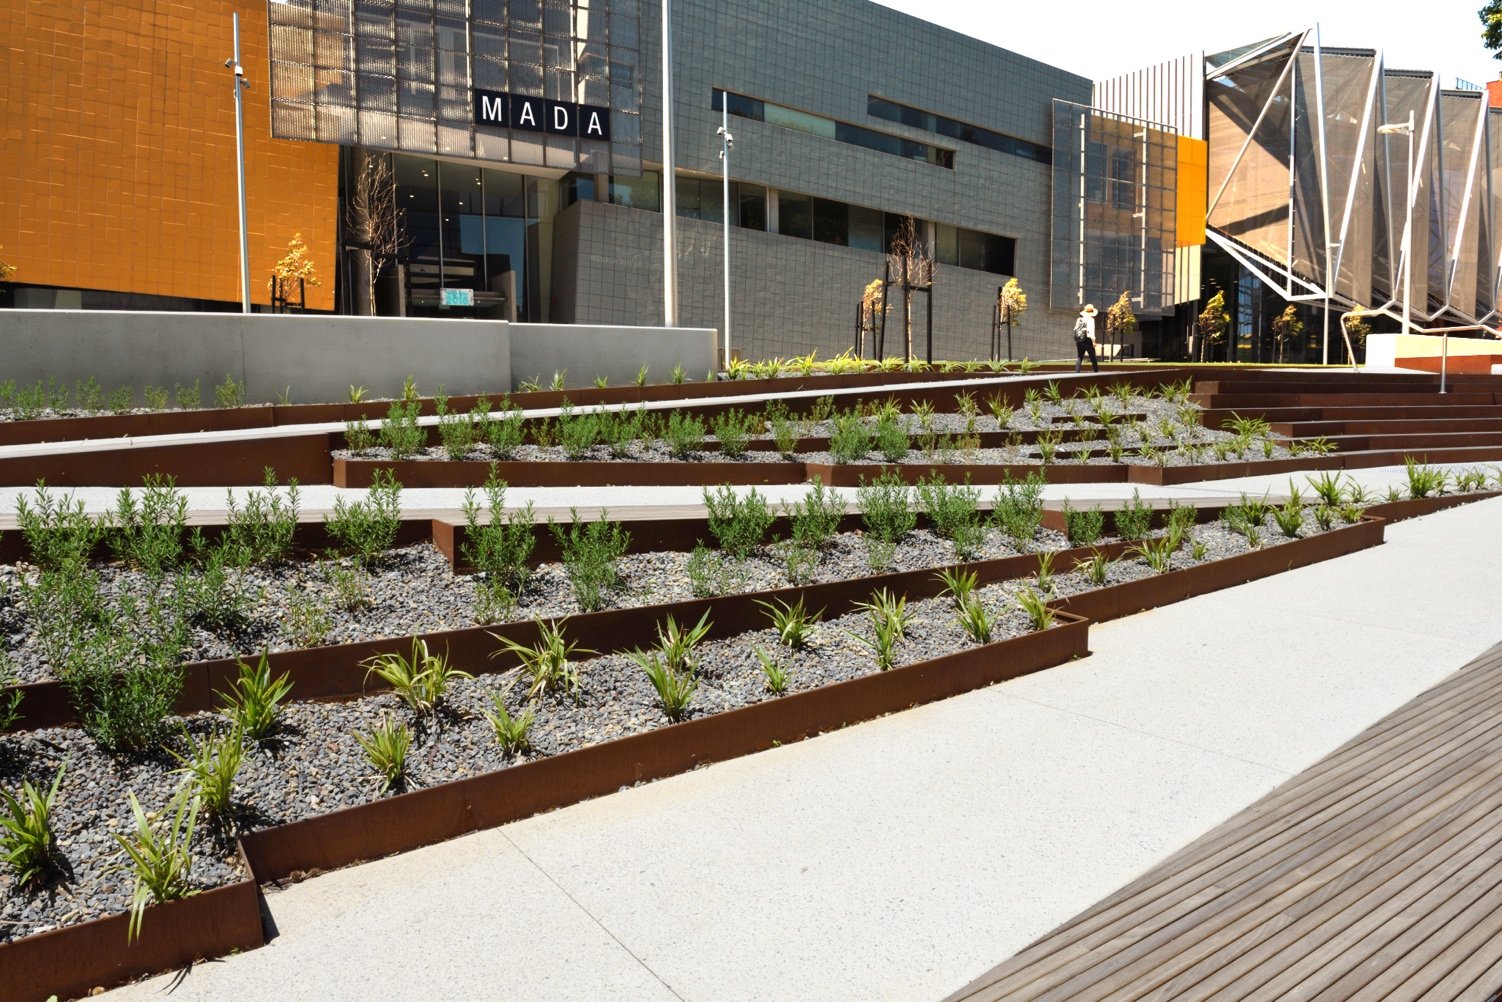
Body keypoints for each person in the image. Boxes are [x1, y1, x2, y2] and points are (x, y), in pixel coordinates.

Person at [1073, 304, 1099, 373]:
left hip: (1079, 340)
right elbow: (1091, 331)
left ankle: (1077, 372)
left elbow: (1075, 329)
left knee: (1079, 357)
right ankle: (1096, 372)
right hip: (1087, 340)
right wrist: (1093, 341)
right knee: (1093, 357)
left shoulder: (1079, 319)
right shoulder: (1091, 320)